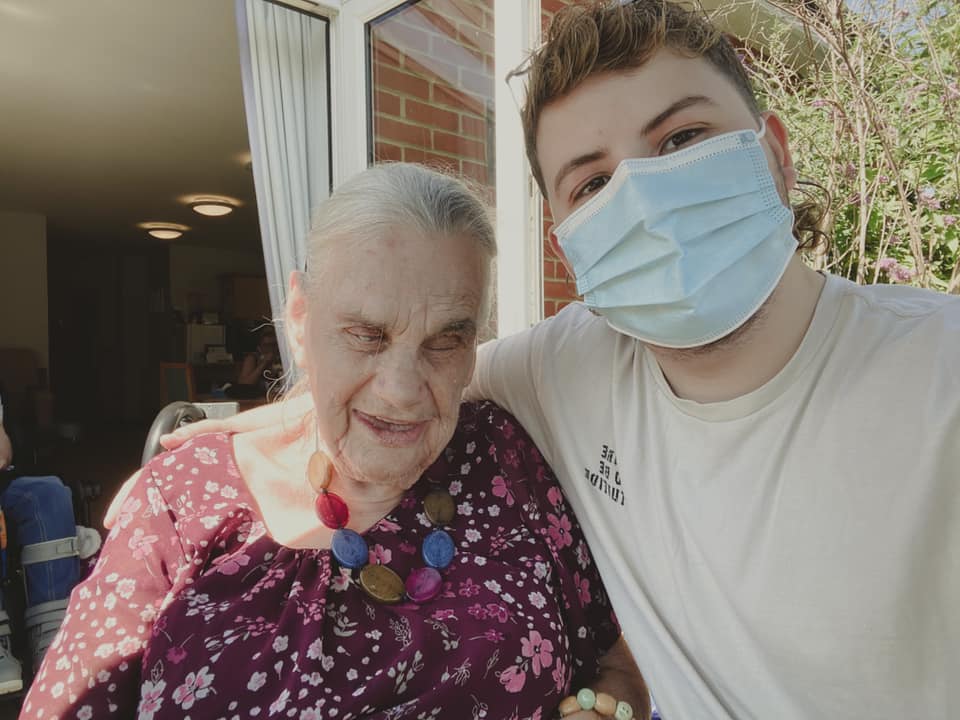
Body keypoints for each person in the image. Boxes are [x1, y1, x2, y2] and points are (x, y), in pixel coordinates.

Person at [153, 1, 960, 717]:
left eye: (683, 138)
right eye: (593, 182)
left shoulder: (938, 372)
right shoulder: (568, 365)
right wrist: (230, 439)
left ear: (776, 158)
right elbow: (409, 368)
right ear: (570, 247)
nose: (646, 200)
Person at [25, 164, 650, 720]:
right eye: (367, 335)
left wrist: (610, 706)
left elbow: (619, 661)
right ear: (299, 319)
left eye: (446, 340)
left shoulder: (504, 457)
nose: (405, 391)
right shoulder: (184, 502)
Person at [235, 325, 281, 394]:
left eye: (273, 345)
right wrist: (264, 363)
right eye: (266, 346)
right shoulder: (252, 358)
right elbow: (244, 384)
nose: (271, 349)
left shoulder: (281, 359)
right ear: (259, 347)